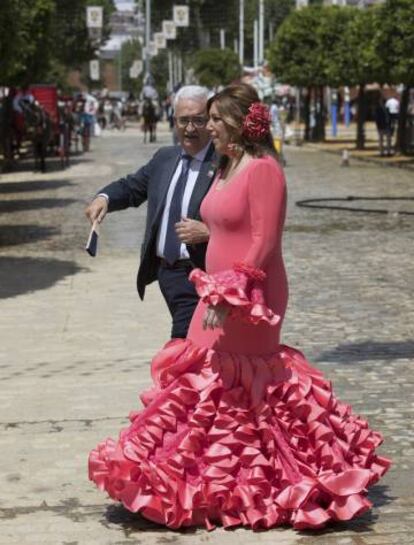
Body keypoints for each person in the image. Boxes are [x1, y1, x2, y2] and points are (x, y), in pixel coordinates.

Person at [89, 83, 390, 531]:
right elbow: (221, 224)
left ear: (236, 123)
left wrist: (232, 294)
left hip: (252, 297)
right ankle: (200, 478)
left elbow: (264, 242)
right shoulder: (227, 166)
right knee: (204, 376)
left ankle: (269, 481)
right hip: (216, 290)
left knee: (235, 380)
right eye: (203, 119)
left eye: (213, 119)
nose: (206, 127)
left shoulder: (265, 170)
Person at [85, 85, 214, 339]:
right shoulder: (165, 158)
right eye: (183, 120)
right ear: (173, 120)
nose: (190, 128)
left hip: (199, 273)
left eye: (198, 120)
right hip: (167, 273)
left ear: (210, 121)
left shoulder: (223, 164)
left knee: (182, 349)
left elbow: (245, 221)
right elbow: (132, 187)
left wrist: (211, 232)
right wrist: (104, 198)